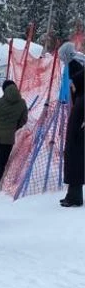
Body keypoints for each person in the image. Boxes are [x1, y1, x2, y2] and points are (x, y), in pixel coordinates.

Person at [0, 79, 28, 194]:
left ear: (4, 90)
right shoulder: (22, 103)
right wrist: (14, 127)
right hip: (8, 138)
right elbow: (23, 120)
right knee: (1, 162)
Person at [59, 41, 85, 207]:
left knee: (75, 161)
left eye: (73, 85)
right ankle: (72, 195)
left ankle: (75, 198)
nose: (72, 87)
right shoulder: (81, 97)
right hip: (76, 134)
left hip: (78, 136)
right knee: (72, 160)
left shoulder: (82, 97)